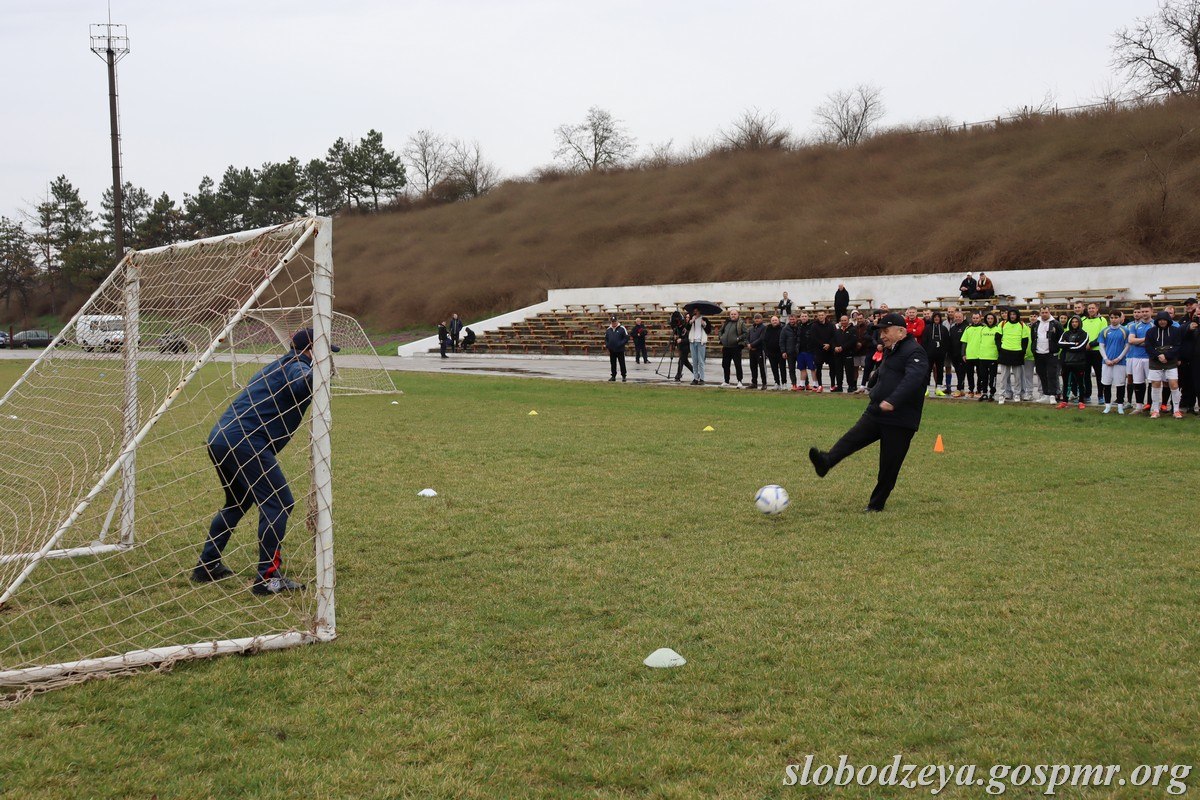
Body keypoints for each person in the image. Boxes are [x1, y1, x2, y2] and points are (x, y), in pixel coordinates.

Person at [193, 328, 338, 595]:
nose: (328, 356)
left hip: (221, 438)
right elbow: (301, 381)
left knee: (237, 503)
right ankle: (267, 579)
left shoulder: (278, 365)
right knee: (279, 503)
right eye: (325, 351)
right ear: (311, 351)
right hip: (246, 442)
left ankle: (207, 565)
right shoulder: (297, 365)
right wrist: (317, 374)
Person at [807, 313, 929, 513]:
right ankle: (826, 462)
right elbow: (887, 372)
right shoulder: (892, 349)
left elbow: (913, 380)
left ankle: (876, 504)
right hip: (877, 411)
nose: (882, 335)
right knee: (851, 439)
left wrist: (893, 401)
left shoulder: (915, 352)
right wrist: (873, 383)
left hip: (900, 418)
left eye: (886, 331)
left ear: (901, 331)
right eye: (880, 331)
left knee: (889, 465)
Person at [1145, 310, 1183, 418]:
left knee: (1174, 384)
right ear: (1157, 321)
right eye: (1160, 320)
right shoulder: (1150, 332)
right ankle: (1155, 410)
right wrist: (1158, 355)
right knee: (1155, 384)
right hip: (1155, 361)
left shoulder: (1175, 331)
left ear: (1168, 320)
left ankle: (1176, 410)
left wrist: (1167, 355)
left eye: (1164, 320)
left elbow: (1177, 346)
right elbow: (1148, 346)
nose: (1162, 322)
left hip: (1170, 361)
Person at [1096, 310, 1129, 414]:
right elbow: (1101, 346)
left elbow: (1127, 346)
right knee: (1106, 384)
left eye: (1116, 317)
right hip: (1107, 363)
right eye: (1112, 317)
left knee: (1120, 384)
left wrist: (1118, 358)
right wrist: (1106, 359)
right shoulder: (1104, 331)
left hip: (1120, 363)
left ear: (1120, 318)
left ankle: (1120, 406)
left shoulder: (1125, 331)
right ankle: (1107, 406)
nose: (1114, 320)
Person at [995, 308, 1030, 404]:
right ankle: (1002, 394)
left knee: (1018, 377)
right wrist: (1000, 349)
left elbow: (1025, 340)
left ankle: (1017, 394)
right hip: (1005, 353)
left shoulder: (1022, 325)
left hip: (1017, 353)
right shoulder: (1002, 324)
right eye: (1011, 314)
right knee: (1003, 377)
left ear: (1017, 315)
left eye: (1014, 314)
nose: (1012, 316)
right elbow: (997, 338)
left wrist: (1022, 352)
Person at [1124, 304, 1152, 413]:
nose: (1144, 313)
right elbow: (1131, 341)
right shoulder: (1134, 326)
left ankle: (1150, 405)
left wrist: (1138, 341)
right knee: (1138, 382)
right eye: (1142, 311)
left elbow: (1154, 342)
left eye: (1146, 311)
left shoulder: (1154, 325)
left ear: (1151, 312)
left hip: (1150, 358)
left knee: (1151, 382)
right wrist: (1146, 340)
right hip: (1136, 357)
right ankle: (1139, 406)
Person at [1031, 307, 1062, 403]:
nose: (1044, 314)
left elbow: (1060, 337)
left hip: (1051, 353)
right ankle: (1046, 394)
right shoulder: (1036, 324)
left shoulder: (1056, 324)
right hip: (1039, 353)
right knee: (1042, 374)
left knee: (1052, 374)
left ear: (1049, 312)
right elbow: (1033, 337)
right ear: (1040, 313)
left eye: (1046, 312)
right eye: (1042, 312)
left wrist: (1055, 348)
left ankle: (1053, 395)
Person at [1057, 315, 1089, 410]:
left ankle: (1081, 401)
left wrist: (1067, 345)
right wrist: (1073, 343)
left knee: (1080, 383)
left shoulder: (1084, 334)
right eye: (1072, 322)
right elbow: (1060, 344)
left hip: (1079, 363)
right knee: (1066, 383)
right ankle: (1064, 401)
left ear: (1079, 323)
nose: (1074, 324)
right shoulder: (1066, 333)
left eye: (1076, 322)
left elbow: (1081, 347)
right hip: (1066, 362)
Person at [1080, 303, 1108, 406]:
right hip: (1085, 351)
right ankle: (1087, 395)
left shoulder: (1102, 320)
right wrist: (1084, 344)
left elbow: (1103, 335)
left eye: (1093, 308)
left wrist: (1091, 344)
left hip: (1097, 351)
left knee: (1099, 374)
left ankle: (1101, 395)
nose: (1091, 310)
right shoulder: (1083, 320)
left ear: (1097, 309)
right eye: (1089, 308)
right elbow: (1080, 333)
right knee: (1086, 374)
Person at [921, 311, 948, 397]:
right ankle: (926, 388)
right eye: (935, 317)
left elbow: (947, 341)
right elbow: (924, 341)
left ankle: (938, 388)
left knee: (940, 370)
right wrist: (925, 352)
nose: (936, 318)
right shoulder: (928, 328)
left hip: (940, 354)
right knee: (927, 370)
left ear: (940, 319)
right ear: (933, 318)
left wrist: (944, 352)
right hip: (929, 354)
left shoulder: (944, 328)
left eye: (938, 317)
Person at [719, 309, 748, 387]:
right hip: (726, 347)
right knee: (725, 364)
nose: (733, 315)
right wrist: (721, 338)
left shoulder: (741, 323)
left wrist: (738, 338)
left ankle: (739, 381)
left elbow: (746, 333)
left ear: (738, 315)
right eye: (732, 314)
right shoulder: (726, 322)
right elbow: (720, 331)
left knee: (737, 365)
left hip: (736, 347)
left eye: (735, 314)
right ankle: (726, 381)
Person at [975, 311, 1001, 401]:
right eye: (988, 319)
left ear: (994, 320)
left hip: (993, 357)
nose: (990, 320)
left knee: (992, 377)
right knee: (983, 377)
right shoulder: (983, 329)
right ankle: (984, 393)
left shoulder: (998, 329)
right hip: (982, 357)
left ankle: (992, 394)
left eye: (991, 319)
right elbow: (979, 342)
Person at [831, 315, 858, 392]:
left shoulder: (853, 330)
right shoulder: (838, 331)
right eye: (842, 320)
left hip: (848, 354)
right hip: (838, 354)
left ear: (848, 320)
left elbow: (852, 341)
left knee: (849, 371)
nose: (843, 322)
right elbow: (833, 341)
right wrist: (834, 347)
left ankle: (850, 386)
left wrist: (842, 347)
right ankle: (839, 386)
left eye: (845, 320)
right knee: (838, 371)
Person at [948, 310, 972, 397]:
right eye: (956, 317)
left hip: (962, 355)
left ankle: (959, 389)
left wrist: (964, 353)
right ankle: (961, 389)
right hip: (954, 355)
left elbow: (966, 342)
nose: (957, 318)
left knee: (962, 372)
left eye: (959, 317)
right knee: (958, 372)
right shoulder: (953, 328)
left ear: (963, 318)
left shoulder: (966, 327)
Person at [810, 310, 835, 391]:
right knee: (819, 368)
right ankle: (820, 385)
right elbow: (813, 338)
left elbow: (834, 336)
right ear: (817, 316)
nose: (821, 316)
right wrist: (822, 345)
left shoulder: (831, 325)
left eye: (822, 315)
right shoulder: (814, 326)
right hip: (819, 350)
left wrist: (829, 344)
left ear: (825, 316)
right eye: (819, 315)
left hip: (829, 349)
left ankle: (832, 384)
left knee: (832, 367)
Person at [961, 311, 983, 398]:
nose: (975, 320)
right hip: (969, 355)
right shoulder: (968, 328)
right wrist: (963, 354)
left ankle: (979, 390)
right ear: (971, 318)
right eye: (974, 318)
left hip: (980, 355)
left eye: (977, 318)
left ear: (980, 318)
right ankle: (971, 390)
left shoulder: (983, 328)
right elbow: (964, 342)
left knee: (980, 374)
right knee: (969, 374)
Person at [688, 308, 710, 385]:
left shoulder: (704, 319)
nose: (695, 312)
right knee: (694, 361)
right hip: (693, 341)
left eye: (697, 310)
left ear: (700, 311)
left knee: (701, 361)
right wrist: (691, 322)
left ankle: (702, 378)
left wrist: (704, 324)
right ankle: (695, 378)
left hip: (701, 342)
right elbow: (687, 328)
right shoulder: (692, 318)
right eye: (694, 311)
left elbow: (708, 331)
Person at [670, 310, 693, 382]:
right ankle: (696, 373)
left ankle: (678, 376)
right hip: (681, 346)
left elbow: (689, 338)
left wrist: (682, 340)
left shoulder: (690, 327)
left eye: (688, 317)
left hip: (687, 346)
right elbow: (678, 333)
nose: (687, 318)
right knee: (685, 361)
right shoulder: (682, 325)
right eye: (686, 317)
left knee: (681, 360)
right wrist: (676, 336)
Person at [604, 316, 629, 382]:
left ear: (617, 321)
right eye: (612, 322)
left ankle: (623, 376)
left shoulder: (622, 328)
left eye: (614, 321)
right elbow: (606, 338)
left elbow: (626, 338)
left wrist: (620, 344)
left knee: (622, 363)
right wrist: (607, 345)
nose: (613, 323)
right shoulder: (608, 329)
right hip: (612, 350)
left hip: (620, 349)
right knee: (613, 363)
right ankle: (613, 376)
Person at [763, 314, 784, 389]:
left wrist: (784, 351)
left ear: (778, 321)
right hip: (771, 353)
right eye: (773, 320)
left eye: (776, 320)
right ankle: (777, 383)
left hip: (781, 353)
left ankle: (784, 382)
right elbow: (764, 341)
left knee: (782, 368)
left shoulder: (782, 328)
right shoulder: (767, 329)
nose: (774, 321)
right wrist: (767, 352)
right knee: (774, 369)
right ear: (771, 321)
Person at [747, 313, 767, 389]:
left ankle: (764, 383)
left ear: (761, 319)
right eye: (755, 318)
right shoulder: (751, 328)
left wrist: (752, 345)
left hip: (760, 350)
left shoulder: (764, 328)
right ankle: (754, 383)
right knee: (753, 367)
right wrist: (748, 344)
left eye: (758, 318)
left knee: (762, 367)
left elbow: (761, 338)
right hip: (751, 351)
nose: (757, 320)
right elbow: (747, 338)